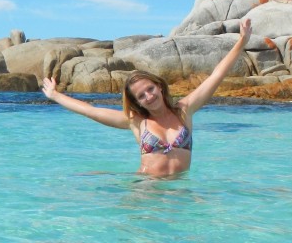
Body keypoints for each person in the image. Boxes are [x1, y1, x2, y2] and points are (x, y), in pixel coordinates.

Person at [40, 18, 253, 177]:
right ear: (137, 102)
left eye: (150, 89)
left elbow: (216, 76)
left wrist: (241, 42)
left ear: (159, 87)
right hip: (145, 189)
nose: (148, 96)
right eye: (141, 96)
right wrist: (55, 95)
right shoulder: (136, 122)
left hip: (179, 192)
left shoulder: (184, 110)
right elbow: (91, 110)